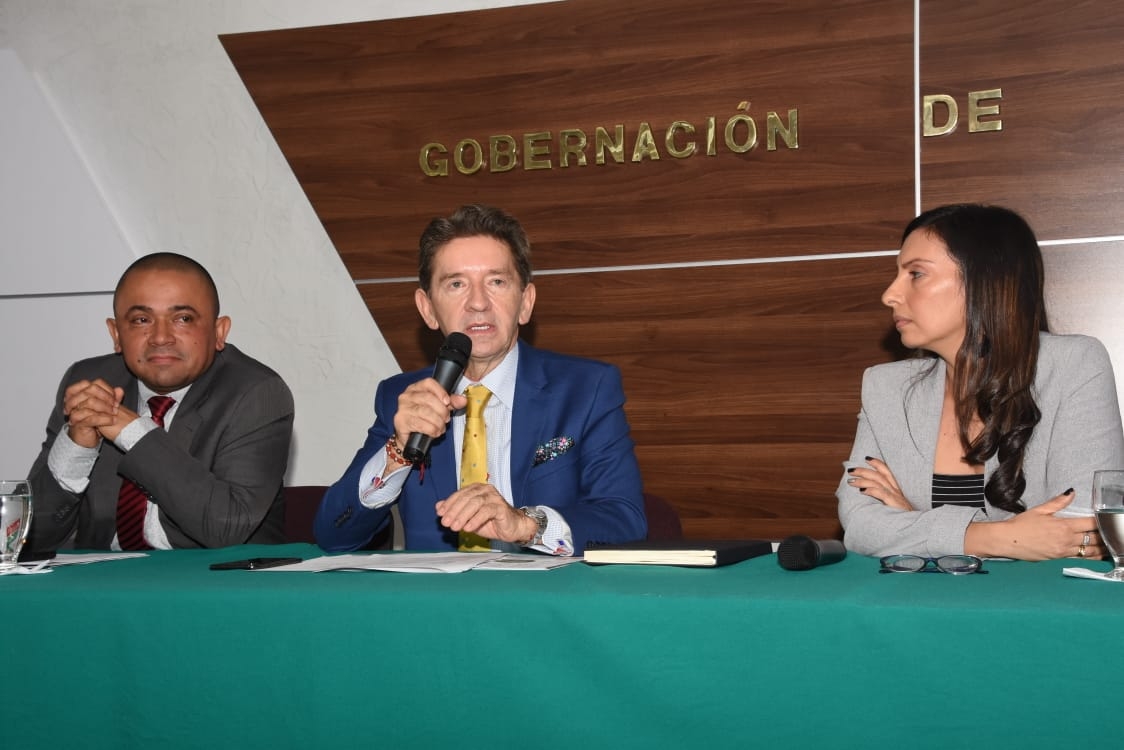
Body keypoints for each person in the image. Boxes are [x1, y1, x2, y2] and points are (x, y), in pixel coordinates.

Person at [314, 204, 647, 555]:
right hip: (437, 591)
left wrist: (525, 525)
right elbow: (334, 535)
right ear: (428, 309)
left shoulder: (586, 389)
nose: (478, 303)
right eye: (456, 284)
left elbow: (625, 522)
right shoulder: (401, 396)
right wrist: (397, 452)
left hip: (547, 589)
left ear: (525, 302)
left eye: (496, 282)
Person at [838, 204, 1124, 561]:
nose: (889, 295)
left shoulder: (1074, 365)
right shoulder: (886, 388)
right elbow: (860, 525)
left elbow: (1078, 534)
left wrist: (912, 523)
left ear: (983, 281)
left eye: (916, 274)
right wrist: (998, 538)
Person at [26, 252, 294, 553]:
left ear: (219, 332)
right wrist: (77, 448)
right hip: (103, 576)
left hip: (216, 577)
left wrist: (132, 431)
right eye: (141, 320)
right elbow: (29, 537)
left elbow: (227, 527)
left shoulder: (255, 393)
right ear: (116, 334)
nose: (160, 337)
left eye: (183, 319)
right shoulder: (89, 383)